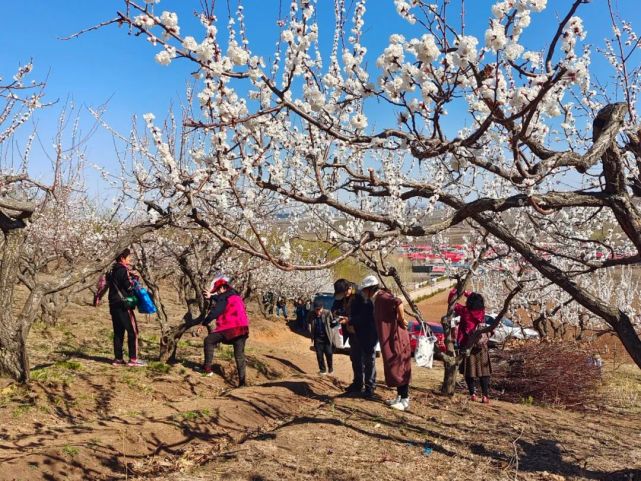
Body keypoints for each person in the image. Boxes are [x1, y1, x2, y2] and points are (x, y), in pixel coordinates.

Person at [361, 275, 412, 411]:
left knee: (399, 366)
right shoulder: (377, 299)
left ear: (370, 289)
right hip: (388, 338)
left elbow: (398, 302)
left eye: (365, 290)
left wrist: (401, 319)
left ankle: (405, 399)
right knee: (394, 367)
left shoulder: (382, 297)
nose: (364, 293)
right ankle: (400, 397)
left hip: (396, 338)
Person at [197, 278, 250, 387]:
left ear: (222, 288)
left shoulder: (224, 297)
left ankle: (207, 369)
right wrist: (212, 296)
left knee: (209, 340)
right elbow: (222, 298)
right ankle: (242, 383)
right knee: (239, 356)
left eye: (217, 290)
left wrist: (204, 323)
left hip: (231, 328)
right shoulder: (235, 296)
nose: (217, 292)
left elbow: (216, 312)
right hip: (243, 328)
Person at [332, 278, 377, 397]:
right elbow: (335, 306)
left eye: (343, 293)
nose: (342, 296)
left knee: (368, 360)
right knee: (355, 359)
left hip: (366, 333)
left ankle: (369, 387)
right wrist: (336, 313)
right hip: (352, 333)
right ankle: (357, 384)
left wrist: (349, 319)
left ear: (349, 289)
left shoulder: (361, 295)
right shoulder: (342, 296)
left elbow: (366, 316)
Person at [102, 248, 145, 367]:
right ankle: (133, 359)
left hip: (113, 305)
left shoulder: (112, 271)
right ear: (122, 258)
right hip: (123, 305)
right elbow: (128, 287)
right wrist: (135, 279)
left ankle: (118, 359)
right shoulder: (123, 270)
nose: (130, 259)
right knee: (133, 331)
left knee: (118, 332)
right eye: (128, 257)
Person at [450, 288, 492, 403]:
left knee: (470, 371)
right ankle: (485, 396)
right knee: (484, 372)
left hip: (467, 345)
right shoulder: (482, 311)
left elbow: (452, 303)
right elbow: (479, 299)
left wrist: (456, 291)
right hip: (481, 346)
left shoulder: (465, 311)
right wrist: (470, 294)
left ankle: (473, 394)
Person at [308, 300, 338, 375]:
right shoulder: (311, 314)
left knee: (329, 353)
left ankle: (330, 369)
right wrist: (310, 330)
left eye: (319, 309)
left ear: (322, 308)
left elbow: (332, 323)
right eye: (316, 310)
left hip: (326, 337)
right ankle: (322, 370)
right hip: (317, 337)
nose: (318, 311)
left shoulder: (327, 313)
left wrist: (336, 322)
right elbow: (308, 322)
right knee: (319, 355)